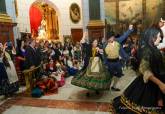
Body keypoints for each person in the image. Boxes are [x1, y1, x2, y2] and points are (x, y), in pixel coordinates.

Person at [113, 27, 165, 114]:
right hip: (149, 86)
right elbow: (145, 70)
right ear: (152, 37)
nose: (160, 39)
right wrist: (160, 84)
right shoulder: (147, 50)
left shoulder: (153, 49)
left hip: (156, 83)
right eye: (159, 36)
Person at [105, 24, 134, 91]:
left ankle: (114, 86)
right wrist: (105, 63)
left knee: (119, 73)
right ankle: (106, 86)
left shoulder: (117, 41)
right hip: (110, 62)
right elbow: (104, 55)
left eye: (112, 37)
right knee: (110, 75)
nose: (112, 38)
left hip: (117, 62)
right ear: (108, 38)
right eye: (110, 37)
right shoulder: (105, 44)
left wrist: (129, 29)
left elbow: (124, 36)